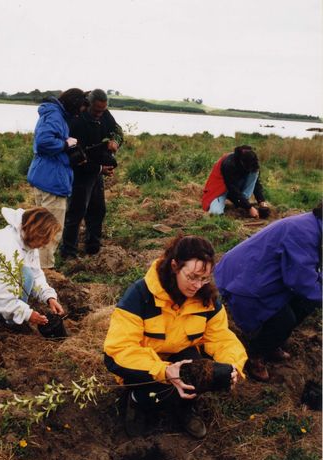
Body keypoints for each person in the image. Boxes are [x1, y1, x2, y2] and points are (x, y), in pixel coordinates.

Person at [104, 235, 247, 439]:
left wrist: (232, 366)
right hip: (144, 363)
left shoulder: (206, 299)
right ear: (174, 266)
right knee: (154, 389)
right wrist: (164, 371)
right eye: (192, 277)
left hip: (181, 356)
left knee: (200, 371)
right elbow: (119, 350)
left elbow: (221, 338)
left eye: (204, 278)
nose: (198, 285)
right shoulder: (140, 296)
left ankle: (185, 406)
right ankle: (137, 401)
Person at [214, 205, 322, 382]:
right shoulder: (304, 232)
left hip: (262, 274)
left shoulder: (315, 226)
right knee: (285, 319)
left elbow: (310, 268)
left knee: (308, 301)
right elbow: (300, 280)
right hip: (244, 282)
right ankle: (256, 354)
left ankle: (273, 341)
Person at [27, 88, 87, 268]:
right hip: (52, 181)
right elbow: (43, 141)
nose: (78, 114)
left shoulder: (52, 113)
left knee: (38, 228)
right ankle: (46, 273)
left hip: (44, 176)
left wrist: (65, 142)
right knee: (50, 231)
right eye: (78, 110)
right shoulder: (55, 115)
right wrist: (65, 143)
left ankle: (33, 269)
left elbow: (46, 139)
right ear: (74, 104)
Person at [61, 89, 123, 259]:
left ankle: (93, 249)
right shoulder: (76, 120)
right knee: (76, 212)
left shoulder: (104, 114)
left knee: (98, 210)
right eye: (96, 110)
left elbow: (118, 131)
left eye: (102, 110)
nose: (99, 114)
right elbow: (74, 157)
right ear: (87, 104)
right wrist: (99, 169)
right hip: (80, 172)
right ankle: (69, 254)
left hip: (97, 170)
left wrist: (115, 142)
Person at [0, 207, 64, 328]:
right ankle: (1, 322)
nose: (46, 243)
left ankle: (4, 316)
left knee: (26, 274)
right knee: (24, 274)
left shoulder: (27, 242)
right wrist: (25, 314)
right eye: (45, 238)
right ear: (36, 232)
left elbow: (36, 274)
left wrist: (49, 297)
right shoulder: (5, 246)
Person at [202, 145, 269, 218]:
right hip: (221, 188)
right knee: (215, 213)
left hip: (236, 185)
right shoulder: (228, 164)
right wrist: (249, 207)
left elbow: (255, 183)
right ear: (241, 162)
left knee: (254, 172)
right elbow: (232, 188)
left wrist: (261, 201)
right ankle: (242, 202)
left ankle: (242, 202)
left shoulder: (252, 164)